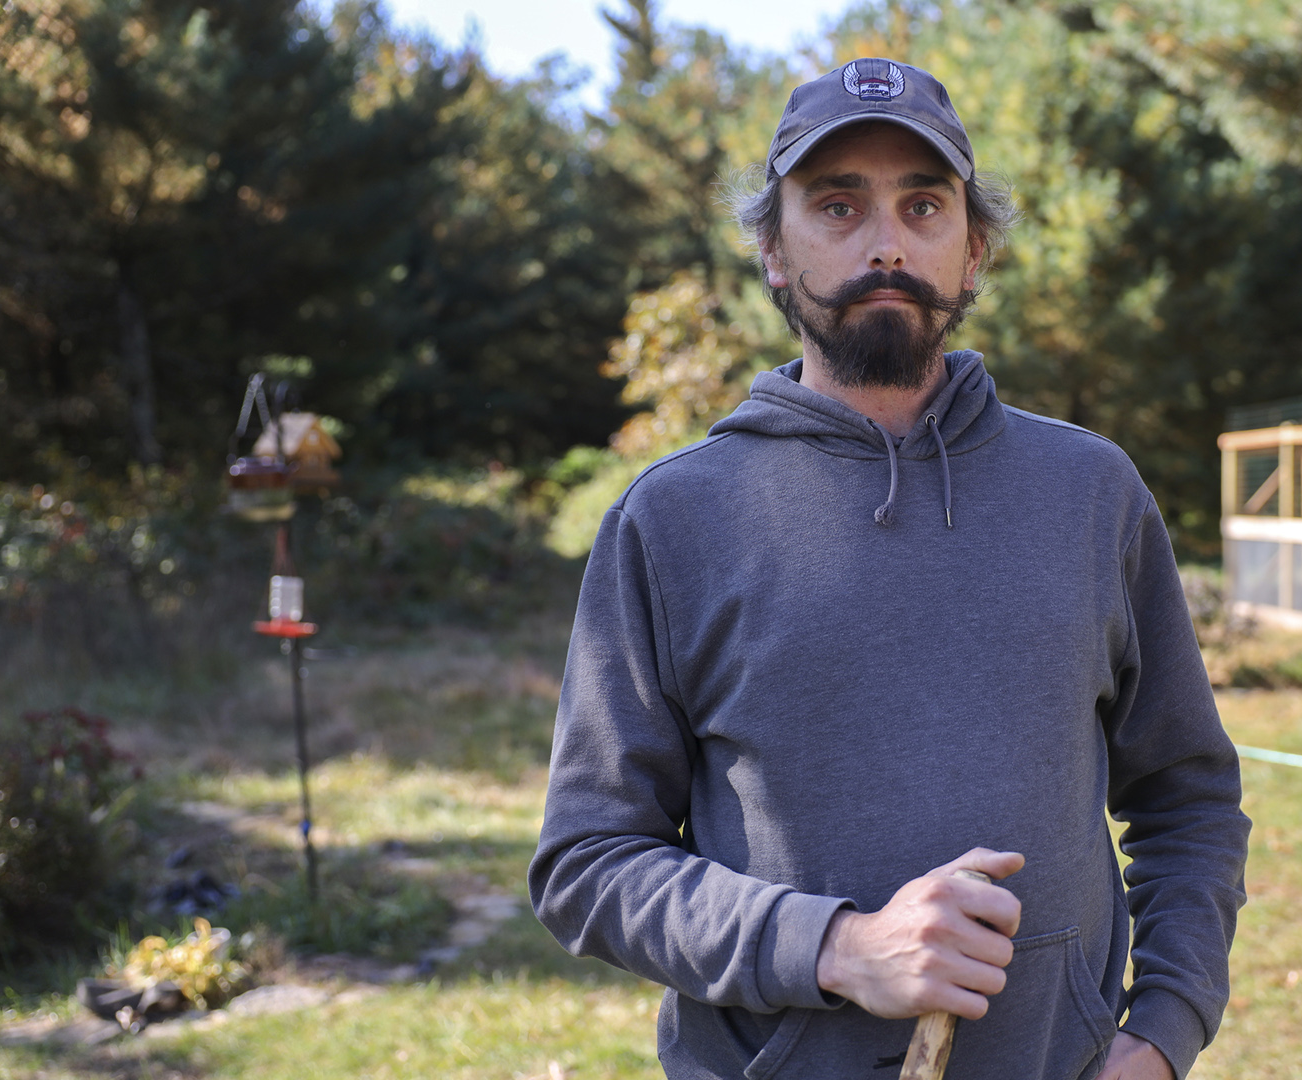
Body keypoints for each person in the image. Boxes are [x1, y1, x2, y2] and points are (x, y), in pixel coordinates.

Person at [530, 57, 1249, 1080]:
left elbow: (1189, 799)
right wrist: (838, 950)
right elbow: (589, 865)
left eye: (924, 206)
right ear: (775, 250)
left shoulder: (1092, 493)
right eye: (837, 206)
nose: (885, 246)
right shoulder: (676, 519)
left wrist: (1161, 1036)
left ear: (975, 251)